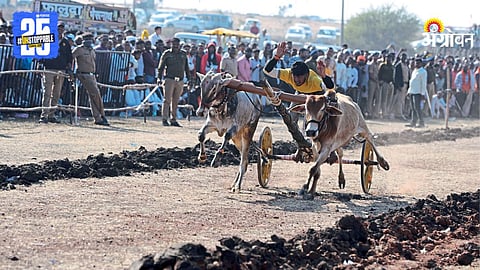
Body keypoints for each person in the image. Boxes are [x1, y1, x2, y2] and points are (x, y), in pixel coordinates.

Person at [263, 41, 334, 95]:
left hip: (316, 95)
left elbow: (330, 87)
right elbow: (267, 71)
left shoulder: (314, 80)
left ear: (306, 75)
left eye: (299, 77)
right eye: (295, 76)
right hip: (299, 94)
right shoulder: (289, 74)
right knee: (291, 113)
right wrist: (276, 57)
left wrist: (324, 76)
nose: (296, 80)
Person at [72, 32, 110, 126]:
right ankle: (102, 115)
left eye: (90, 39)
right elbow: (71, 59)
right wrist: (73, 71)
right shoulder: (79, 49)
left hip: (92, 75)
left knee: (93, 96)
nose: (89, 41)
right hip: (84, 75)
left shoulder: (92, 50)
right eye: (87, 39)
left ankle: (97, 117)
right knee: (96, 95)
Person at [39, 21, 72, 123]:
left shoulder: (66, 43)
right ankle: (44, 115)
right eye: (58, 28)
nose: (60, 30)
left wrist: (69, 69)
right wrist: (40, 65)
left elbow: (69, 57)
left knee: (56, 93)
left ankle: (51, 115)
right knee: (47, 92)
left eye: (62, 28)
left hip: (61, 70)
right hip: (48, 68)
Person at [157, 37, 190, 127]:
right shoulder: (167, 54)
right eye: (174, 44)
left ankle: (173, 119)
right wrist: (159, 78)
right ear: (171, 44)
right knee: (167, 100)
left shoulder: (183, 54)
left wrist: (189, 79)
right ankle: (164, 119)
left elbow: (186, 68)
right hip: (169, 79)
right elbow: (161, 67)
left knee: (176, 100)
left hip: (180, 80)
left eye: (177, 44)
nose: (175, 46)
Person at [406, 58, 427, 128]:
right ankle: (413, 122)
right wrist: (409, 91)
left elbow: (423, 83)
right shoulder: (414, 71)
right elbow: (411, 81)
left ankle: (421, 122)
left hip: (418, 92)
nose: (416, 64)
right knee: (412, 107)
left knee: (417, 107)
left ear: (421, 64)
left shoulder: (423, 72)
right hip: (412, 91)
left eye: (418, 63)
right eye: (416, 63)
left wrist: (422, 93)